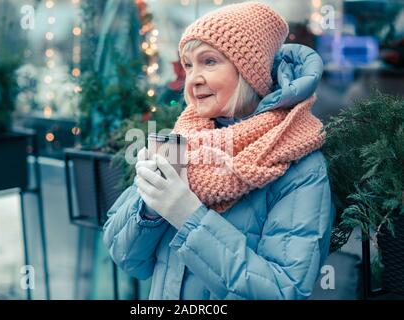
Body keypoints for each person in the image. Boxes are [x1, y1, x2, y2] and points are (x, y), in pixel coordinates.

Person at [103, 1, 335, 300]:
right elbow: (128, 259)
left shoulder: (300, 165)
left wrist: (188, 215)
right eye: (188, 65)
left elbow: (283, 289)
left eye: (209, 61)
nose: (193, 79)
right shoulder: (183, 140)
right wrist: (150, 208)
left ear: (249, 72)